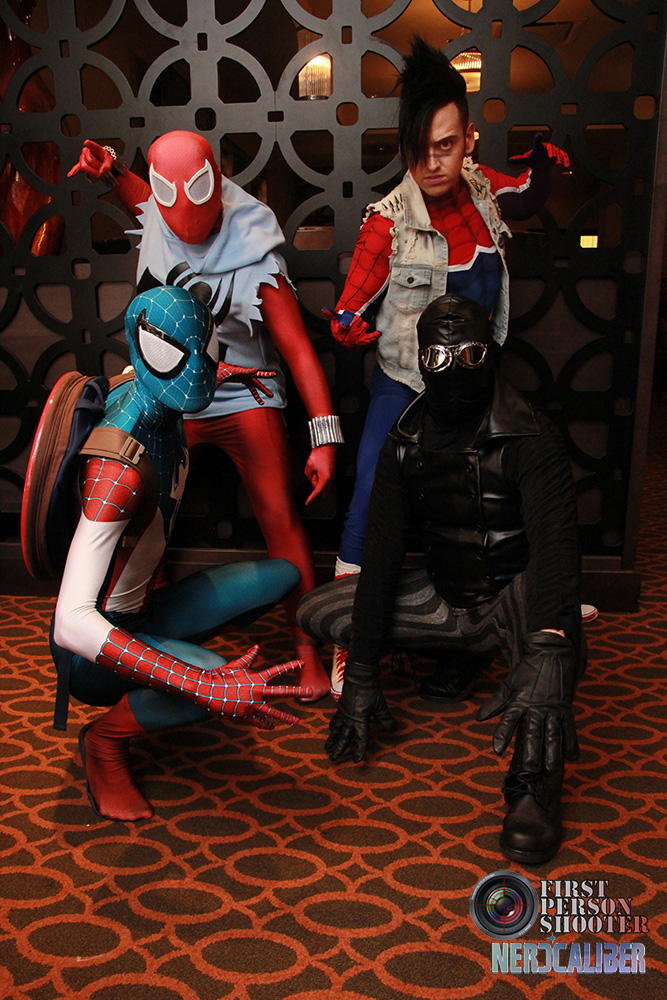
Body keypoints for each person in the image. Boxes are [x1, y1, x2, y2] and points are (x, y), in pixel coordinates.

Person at [298, 293, 585, 865]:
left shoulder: (531, 436)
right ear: (421, 360)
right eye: (438, 356)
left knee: (555, 634)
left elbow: (556, 549)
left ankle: (532, 782)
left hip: (511, 601)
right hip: (442, 597)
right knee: (319, 611)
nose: (454, 369)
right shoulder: (403, 442)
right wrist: (361, 671)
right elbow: (381, 557)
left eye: (470, 353)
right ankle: (461, 654)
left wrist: (552, 640)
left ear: (491, 353)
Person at [325, 39, 569, 694]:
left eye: (445, 146)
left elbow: (527, 198)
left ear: (467, 139)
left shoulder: (483, 189)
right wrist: (347, 330)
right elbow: (349, 307)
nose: (432, 163)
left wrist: (541, 166)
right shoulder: (387, 223)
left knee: (487, 506)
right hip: (407, 383)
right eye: (419, 149)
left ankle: (485, 634)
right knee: (372, 491)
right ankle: (350, 636)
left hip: (477, 386)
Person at [68, 131, 343, 701]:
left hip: (246, 391)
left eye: (196, 190)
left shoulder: (255, 253)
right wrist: (110, 171)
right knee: (142, 505)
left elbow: (296, 348)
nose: (180, 214)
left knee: (279, 513)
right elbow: (146, 197)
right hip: (174, 393)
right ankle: (133, 628)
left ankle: (306, 649)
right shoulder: (157, 214)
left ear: (217, 184)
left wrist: (324, 436)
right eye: (168, 196)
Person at [51, 285, 310, 822]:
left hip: (144, 609)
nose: (198, 372)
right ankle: (105, 739)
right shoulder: (117, 470)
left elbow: (170, 364)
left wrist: (218, 371)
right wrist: (196, 683)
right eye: (178, 357)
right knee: (217, 681)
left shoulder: (147, 387)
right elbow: (70, 623)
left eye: (205, 354)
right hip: (93, 650)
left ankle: (167, 664)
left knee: (283, 575)